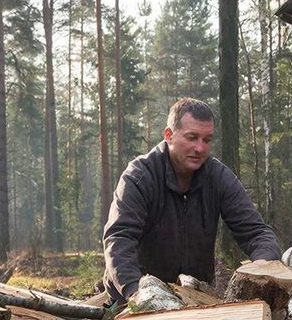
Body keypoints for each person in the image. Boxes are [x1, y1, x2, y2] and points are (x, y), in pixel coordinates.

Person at [102, 98, 280, 302]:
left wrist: (262, 267)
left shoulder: (218, 177)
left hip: (195, 297)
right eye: (192, 137)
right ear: (168, 135)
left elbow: (257, 233)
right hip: (133, 297)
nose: (200, 148)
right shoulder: (139, 176)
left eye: (207, 140)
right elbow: (119, 239)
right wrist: (136, 293)